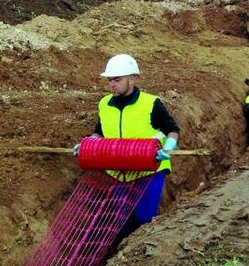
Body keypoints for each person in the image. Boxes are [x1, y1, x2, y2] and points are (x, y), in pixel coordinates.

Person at [73, 53, 180, 238]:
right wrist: (88, 145)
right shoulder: (105, 104)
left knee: (144, 219)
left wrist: (167, 149)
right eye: (109, 80)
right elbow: (99, 131)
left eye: (117, 80)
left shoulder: (150, 103)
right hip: (119, 172)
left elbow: (172, 129)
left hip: (149, 171)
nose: (112, 85)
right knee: (120, 222)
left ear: (132, 78)